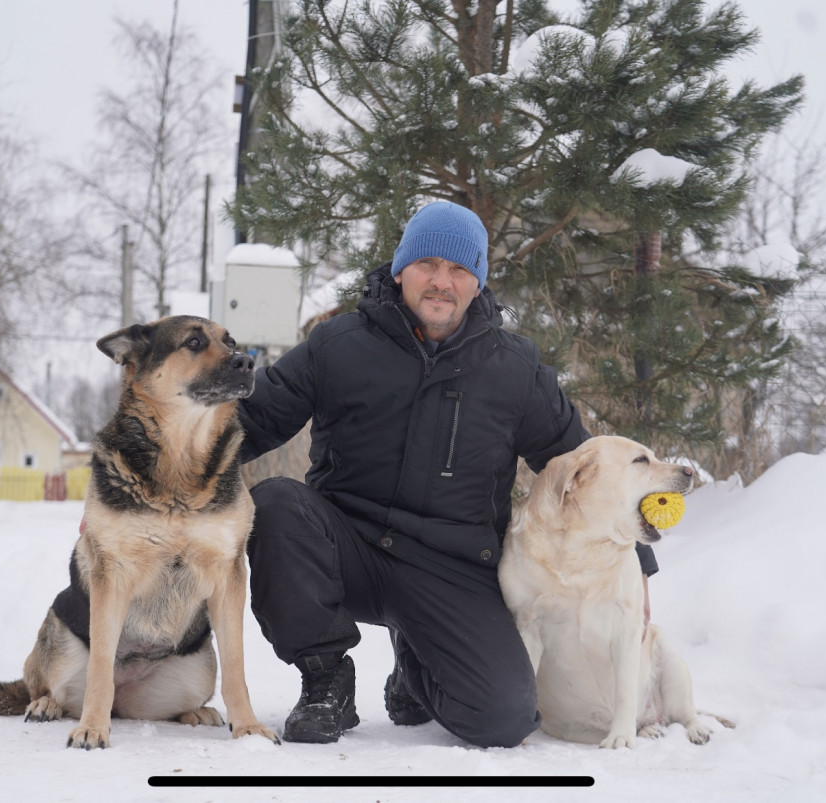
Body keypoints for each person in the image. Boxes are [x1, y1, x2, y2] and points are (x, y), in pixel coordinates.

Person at [237, 200, 658, 747]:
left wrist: (638, 560)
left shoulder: (514, 369)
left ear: (477, 283)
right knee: (275, 504)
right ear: (399, 270)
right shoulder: (338, 346)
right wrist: (138, 486)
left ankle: (415, 665)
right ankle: (325, 679)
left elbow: (581, 464)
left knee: (503, 718)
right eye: (428, 265)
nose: (442, 281)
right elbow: (248, 420)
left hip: (452, 567)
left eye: (459, 269)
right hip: (348, 547)